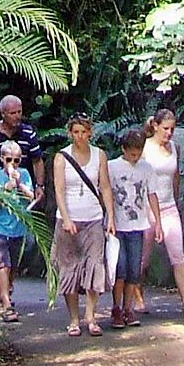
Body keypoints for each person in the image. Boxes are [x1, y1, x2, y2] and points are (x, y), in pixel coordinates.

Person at [52, 112, 115, 337]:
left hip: (93, 218)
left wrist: (110, 216)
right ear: (70, 133)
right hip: (68, 219)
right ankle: (73, 319)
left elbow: (104, 186)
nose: (80, 136)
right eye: (76, 132)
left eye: (84, 132)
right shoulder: (61, 157)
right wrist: (66, 218)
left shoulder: (99, 155)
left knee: (95, 264)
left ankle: (91, 315)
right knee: (70, 268)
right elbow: (59, 190)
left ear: (90, 133)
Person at [143, 107, 184, 315]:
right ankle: (136, 297)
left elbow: (175, 177)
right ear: (155, 126)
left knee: (178, 254)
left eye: (172, 129)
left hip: (168, 207)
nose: (169, 133)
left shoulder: (175, 148)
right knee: (142, 258)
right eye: (165, 128)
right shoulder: (144, 148)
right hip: (146, 208)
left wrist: (176, 201)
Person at [107, 127, 155, 329]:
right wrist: (108, 218)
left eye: (138, 153)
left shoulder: (146, 168)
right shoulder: (112, 167)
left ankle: (128, 307)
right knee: (120, 268)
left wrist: (157, 221)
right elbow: (105, 192)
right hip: (118, 226)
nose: (135, 157)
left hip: (137, 225)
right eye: (132, 154)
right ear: (123, 149)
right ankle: (116, 307)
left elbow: (151, 193)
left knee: (134, 270)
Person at [0, 138, 33, 321]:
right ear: (2, 159)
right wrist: (5, 190)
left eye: (17, 160)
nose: (13, 163)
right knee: (2, 264)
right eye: (9, 160)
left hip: (18, 228)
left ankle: (4, 294)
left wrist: (19, 184)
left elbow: (32, 197)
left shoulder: (24, 174)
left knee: (12, 267)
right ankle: (6, 304)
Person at [0, 93, 46, 204]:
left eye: (19, 112)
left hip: (21, 188)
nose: (17, 116)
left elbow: (37, 161)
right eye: (12, 113)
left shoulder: (28, 133)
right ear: (3, 114)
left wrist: (39, 185)